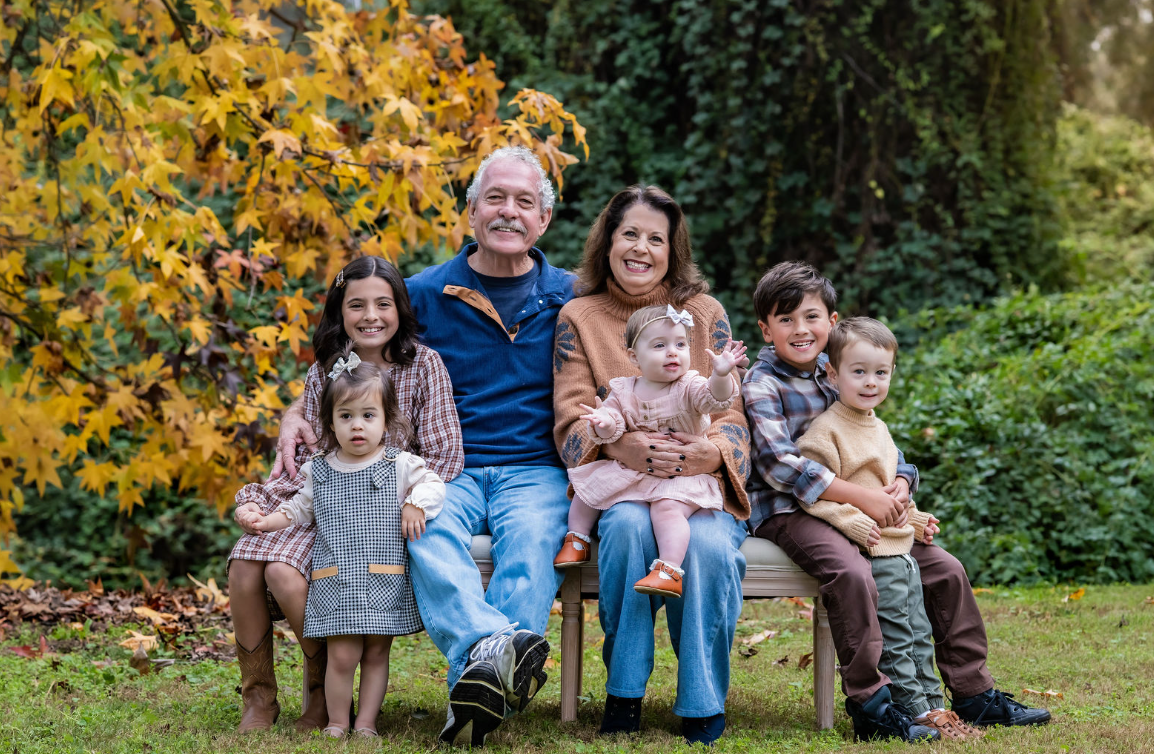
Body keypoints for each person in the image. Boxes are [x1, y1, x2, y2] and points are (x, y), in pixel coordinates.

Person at [275, 145, 575, 747]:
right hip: (443, 469)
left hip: (535, 468)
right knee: (422, 529)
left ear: (543, 219)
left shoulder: (573, 296)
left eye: (524, 202)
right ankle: (494, 665)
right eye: (495, 198)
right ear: (471, 210)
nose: (508, 211)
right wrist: (293, 413)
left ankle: (479, 681)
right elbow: (354, 357)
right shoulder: (425, 293)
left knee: (531, 544)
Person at [742, 261, 1051, 742]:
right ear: (766, 329)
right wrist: (864, 497)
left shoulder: (839, 367)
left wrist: (902, 484)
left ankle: (974, 694)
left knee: (945, 569)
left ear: (832, 322)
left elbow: (882, 444)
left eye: (811, 317)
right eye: (786, 319)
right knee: (852, 572)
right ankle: (873, 706)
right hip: (788, 511)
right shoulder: (762, 383)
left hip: (860, 509)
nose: (800, 329)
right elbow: (778, 466)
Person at [229, 256, 463, 733]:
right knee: (244, 561)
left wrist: (405, 498)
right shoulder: (326, 371)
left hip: (383, 512)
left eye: (383, 303)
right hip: (325, 502)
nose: (370, 316)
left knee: (281, 571)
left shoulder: (424, 365)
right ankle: (259, 697)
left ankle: (320, 694)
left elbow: (445, 457)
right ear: (340, 311)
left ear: (400, 308)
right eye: (356, 305)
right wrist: (256, 502)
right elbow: (311, 462)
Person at [553, 185, 751, 746]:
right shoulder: (578, 316)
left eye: (656, 239)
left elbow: (732, 413)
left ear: (673, 249)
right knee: (623, 529)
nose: (641, 248)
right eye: (630, 234)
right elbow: (571, 420)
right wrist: (621, 446)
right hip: (624, 485)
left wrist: (709, 453)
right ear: (608, 242)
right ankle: (624, 692)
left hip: (698, 486)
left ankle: (702, 699)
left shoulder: (705, 313)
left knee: (707, 548)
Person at [240, 351, 445, 738]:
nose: (357, 425)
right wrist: (267, 521)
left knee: (376, 654)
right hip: (337, 581)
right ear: (331, 424)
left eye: (368, 415)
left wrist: (416, 504)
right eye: (346, 416)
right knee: (342, 655)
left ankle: (366, 723)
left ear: (386, 420)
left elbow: (433, 484)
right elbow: (297, 508)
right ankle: (337, 720)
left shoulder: (399, 464)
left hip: (383, 579)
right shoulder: (320, 469)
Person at [797, 317, 981, 741]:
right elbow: (814, 495)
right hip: (875, 552)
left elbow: (885, 489)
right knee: (895, 637)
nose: (870, 382)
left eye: (880, 372)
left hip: (900, 552)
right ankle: (915, 710)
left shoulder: (878, 427)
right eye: (859, 371)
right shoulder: (826, 432)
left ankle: (935, 706)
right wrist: (857, 524)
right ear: (832, 374)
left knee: (918, 631)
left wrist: (914, 519)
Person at [554, 304, 746, 600]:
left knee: (667, 510)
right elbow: (615, 424)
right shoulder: (624, 389)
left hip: (679, 475)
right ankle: (577, 539)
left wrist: (721, 375)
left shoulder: (690, 385)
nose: (672, 353)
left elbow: (715, 399)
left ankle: (669, 570)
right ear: (634, 357)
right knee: (588, 488)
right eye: (659, 345)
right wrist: (605, 423)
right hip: (636, 469)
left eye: (680, 344)